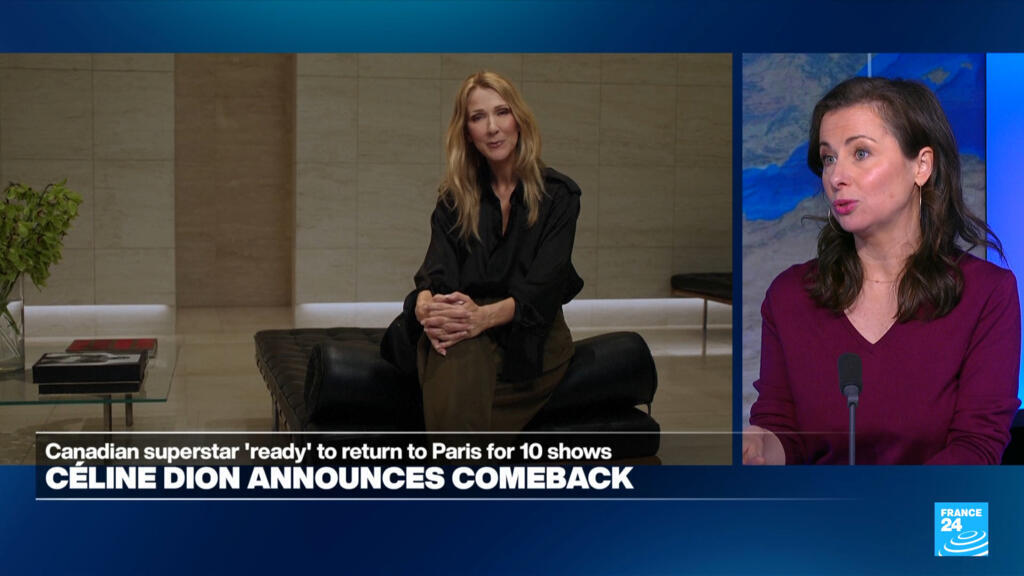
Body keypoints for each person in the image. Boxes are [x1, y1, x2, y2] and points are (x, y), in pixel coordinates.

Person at [744, 76, 1021, 465]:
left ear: (921, 166)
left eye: (860, 153)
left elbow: (977, 447)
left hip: (931, 503)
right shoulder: (790, 295)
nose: (836, 177)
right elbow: (784, 434)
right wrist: (757, 448)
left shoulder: (986, 294)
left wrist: (885, 500)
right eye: (828, 158)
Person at [380, 70, 583, 432]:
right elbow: (436, 273)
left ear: (519, 120)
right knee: (454, 351)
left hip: (530, 334)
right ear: (467, 133)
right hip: (462, 328)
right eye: (478, 117)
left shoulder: (559, 196)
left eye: (502, 112)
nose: (492, 128)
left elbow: (542, 289)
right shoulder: (454, 198)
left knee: (451, 381)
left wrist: (481, 318)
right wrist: (427, 306)